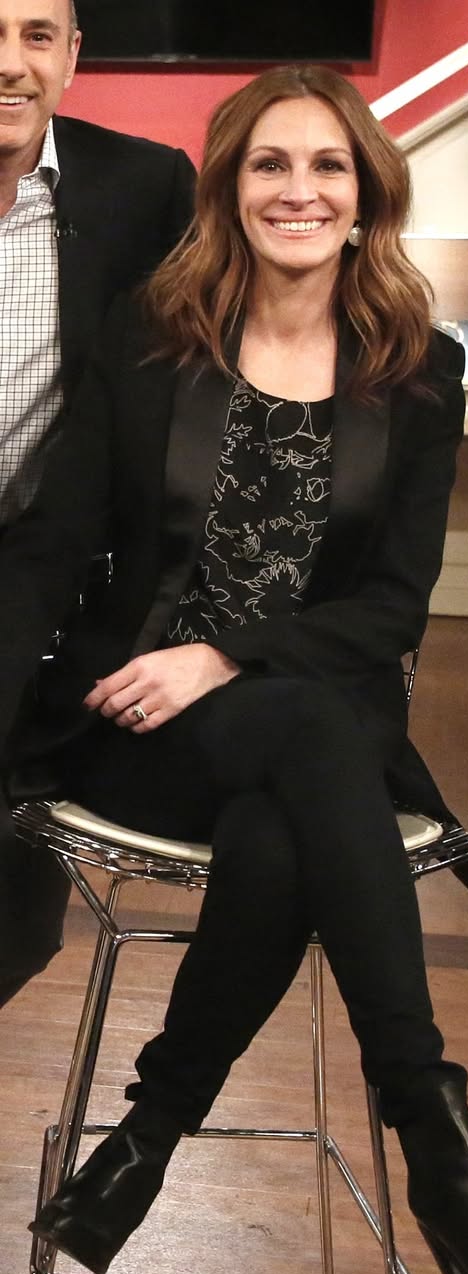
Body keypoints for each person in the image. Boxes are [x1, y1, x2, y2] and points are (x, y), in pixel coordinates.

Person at [0, 64, 468, 1274]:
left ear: (365, 194)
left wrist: (226, 654)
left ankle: (143, 1140)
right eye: (270, 163)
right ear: (229, 188)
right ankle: (439, 1144)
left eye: (328, 165)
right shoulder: (150, 337)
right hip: (139, 722)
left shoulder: (418, 369)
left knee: (285, 823)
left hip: (298, 726)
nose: (299, 189)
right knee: (315, 753)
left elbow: (393, 606)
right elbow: (55, 544)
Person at [0, 0, 195, 1000]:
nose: (10, 63)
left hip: (41, 588)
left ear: (72, 57)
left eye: (36, 36)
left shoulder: (143, 189)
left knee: (15, 921)